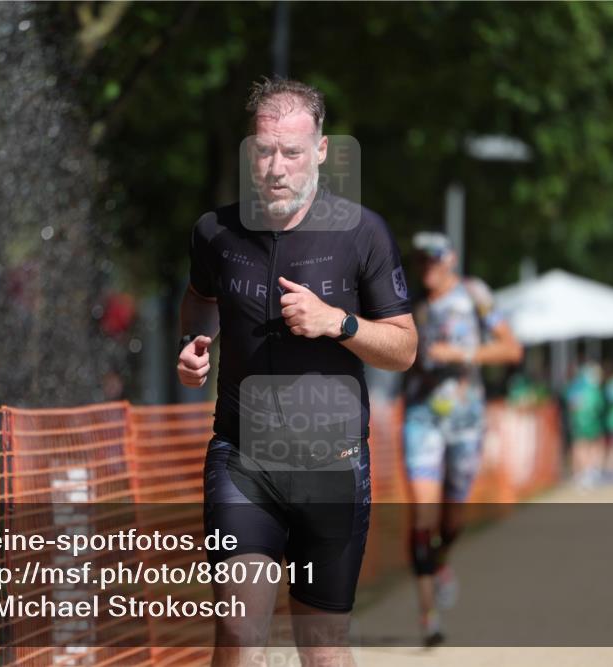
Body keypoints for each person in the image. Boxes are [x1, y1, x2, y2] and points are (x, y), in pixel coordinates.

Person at [177, 76, 417, 667]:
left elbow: (405, 348)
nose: (276, 167)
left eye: (290, 151)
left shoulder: (363, 232)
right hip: (242, 462)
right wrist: (192, 346)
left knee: (324, 650)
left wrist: (339, 322)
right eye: (263, 151)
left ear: (321, 151)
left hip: (333, 469)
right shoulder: (216, 232)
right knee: (237, 634)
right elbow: (197, 297)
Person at [401, 232, 522, 646]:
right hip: (421, 417)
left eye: (434, 258)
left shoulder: (475, 294)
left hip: (467, 422)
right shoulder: (408, 301)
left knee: (453, 521)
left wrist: (463, 355)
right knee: (422, 513)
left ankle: (441, 562)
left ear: (450, 259)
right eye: (420, 260)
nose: (427, 267)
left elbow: (511, 349)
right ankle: (428, 618)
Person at [564, 362, 607, 488]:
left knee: (583, 447)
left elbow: (571, 405)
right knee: (585, 447)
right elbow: (599, 406)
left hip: (581, 423)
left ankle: (584, 472)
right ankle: (587, 472)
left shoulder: (576, 387)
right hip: (587, 423)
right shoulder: (591, 388)